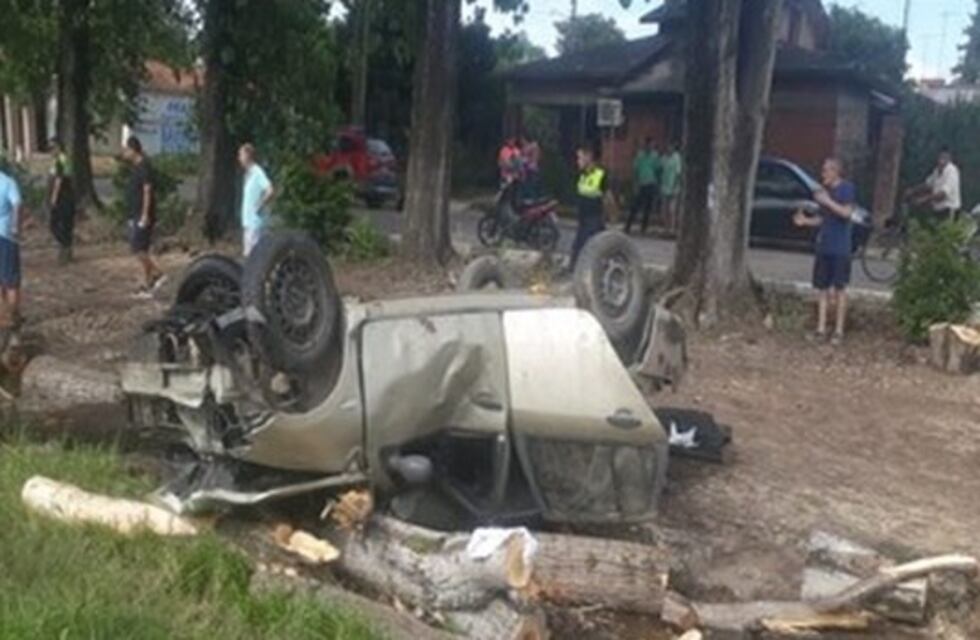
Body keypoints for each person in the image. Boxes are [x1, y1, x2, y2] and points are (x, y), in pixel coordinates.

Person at [792, 158, 857, 345]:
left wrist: (828, 201)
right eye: (823, 171)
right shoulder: (824, 192)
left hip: (840, 248)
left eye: (826, 171)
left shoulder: (846, 189)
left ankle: (838, 331)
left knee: (840, 290)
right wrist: (805, 221)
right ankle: (820, 329)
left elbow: (846, 213)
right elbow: (823, 219)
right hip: (824, 247)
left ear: (836, 171)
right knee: (822, 289)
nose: (823, 175)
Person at [122, 136, 165, 298]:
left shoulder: (144, 167)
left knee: (137, 249)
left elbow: (148, 191)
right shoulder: (136, 166)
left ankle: (158, 273)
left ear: (133, 150)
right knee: (142, 249)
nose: (124, 153)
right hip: (134, 213)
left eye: (126, 150)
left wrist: (145, 214)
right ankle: (148, 285)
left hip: (142, 215)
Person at [570, 145, 607, 269]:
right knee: (577, 248)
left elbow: (608, 197)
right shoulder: (582, 175)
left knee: (584, 249)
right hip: (583, 220)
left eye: (580, 158)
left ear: (589, 157)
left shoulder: (600, 174)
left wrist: (612, 217)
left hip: (594, 220)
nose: (577, 161)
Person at [906, 147, 961, 224]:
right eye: (940, 157)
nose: (941, 159)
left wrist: (923, 200)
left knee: (946, 234)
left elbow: (943, 194)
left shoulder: (951, 171)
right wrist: (913, 190)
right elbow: (927, 184)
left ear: (949, 158)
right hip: (937, 210)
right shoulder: (936, 170)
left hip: (949, 210)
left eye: (945, 157)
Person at [239, 143, 275, 256]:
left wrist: (260, 204)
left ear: (248, 156)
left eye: (241, 155)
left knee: (252, 255)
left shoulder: (257, 172)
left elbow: (270, 190)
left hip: (255, 222)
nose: (239, 158)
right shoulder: (248, 174)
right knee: (249, 254)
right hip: (248, 221)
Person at [0, 166, 24, 323]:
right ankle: (12, 317)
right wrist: (16, 227)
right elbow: (17, 204)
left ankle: (2, 315)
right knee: (11, 281)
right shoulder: (8, 182)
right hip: (6, 237)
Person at [48, 139, 75, 264]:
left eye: (52, 147)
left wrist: (53, 198)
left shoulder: (60, 160)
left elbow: (59, 180)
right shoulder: (63, 159)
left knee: (54, 225)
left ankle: (65, 248)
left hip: (62, 199)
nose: (50, 150)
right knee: (66, 226)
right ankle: (67, 251)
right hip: (68, 198)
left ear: (58, 147)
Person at [624, 137, 660, 235]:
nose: (650, 147)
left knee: (648, 208)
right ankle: (628, 226)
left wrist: (657, 184)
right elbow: (635, 171)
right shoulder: (640, 156)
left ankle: (644, 228)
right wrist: (635, 184)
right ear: (646, 145)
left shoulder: (655, 156)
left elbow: (657, 170)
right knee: (635, 206)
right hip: (641, 185)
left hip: (651, 184)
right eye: (649, 145)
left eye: (652, 145)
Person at [659, 141, 682, 231]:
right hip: (664, 187)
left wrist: (675, 185)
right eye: (667, 147)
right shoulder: (664, 158)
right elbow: (660, 170)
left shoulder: (676, 157)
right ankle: (666, 228)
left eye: (670, 147)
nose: (669, 149)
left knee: (672, 209)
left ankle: (672, 228)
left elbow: (678, 173)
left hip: (674, 188)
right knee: (664, 210)